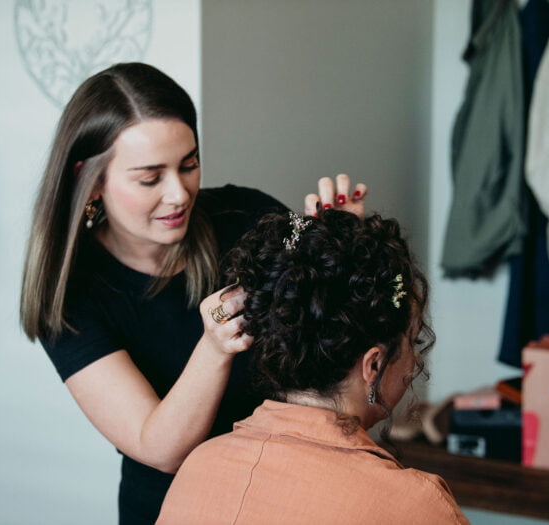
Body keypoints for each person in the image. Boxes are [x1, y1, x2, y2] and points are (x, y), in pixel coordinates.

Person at [19, 62, 367, 524]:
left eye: (189, 165)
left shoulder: (246, 215)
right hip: (173, 510)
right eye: (150, 178)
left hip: (286, 496)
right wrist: (214, 346)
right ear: (92, 181)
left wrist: (343, 244)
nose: (179, 194)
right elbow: (159, 449)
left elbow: (340, 334)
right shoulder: (72, 297)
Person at [157, 210, 470, 524]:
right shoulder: (415, 506)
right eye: (412, 341)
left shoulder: (198, 468)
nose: (413, 361)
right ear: (373, 365)